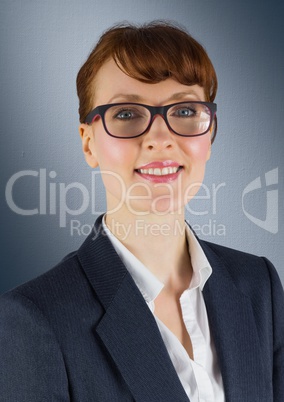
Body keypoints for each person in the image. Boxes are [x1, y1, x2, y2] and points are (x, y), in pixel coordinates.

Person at [0, 21, 283, 402]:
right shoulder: (35, 319)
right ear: (88, 143)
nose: (160, 139)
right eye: (126, 114)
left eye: (184, 110)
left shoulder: (259, 287)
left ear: (210, 132)